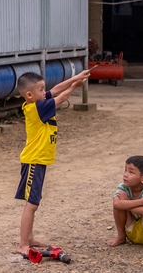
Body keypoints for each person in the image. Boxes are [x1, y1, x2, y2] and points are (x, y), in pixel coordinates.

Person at [15, 68, 90, 255]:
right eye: (41, 90)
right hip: (34, 160)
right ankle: (23, 244)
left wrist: (76, 77)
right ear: (30, 95)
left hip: (39, 160)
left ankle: (29, 238)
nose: (45, 92)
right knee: (31, 204)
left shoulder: (37, 101)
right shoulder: (37, 107)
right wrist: (75, 86)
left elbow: (56, 90)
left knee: (34, 202)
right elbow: (61, 98)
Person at [107, 155, 143, 254]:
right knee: (118, 206)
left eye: (131, 172)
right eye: (125, 170)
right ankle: (121, 237)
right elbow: (117, 204)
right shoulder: (123, 187)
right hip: (131, 230)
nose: (125, 174)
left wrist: (126, 203)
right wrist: (141, 202)